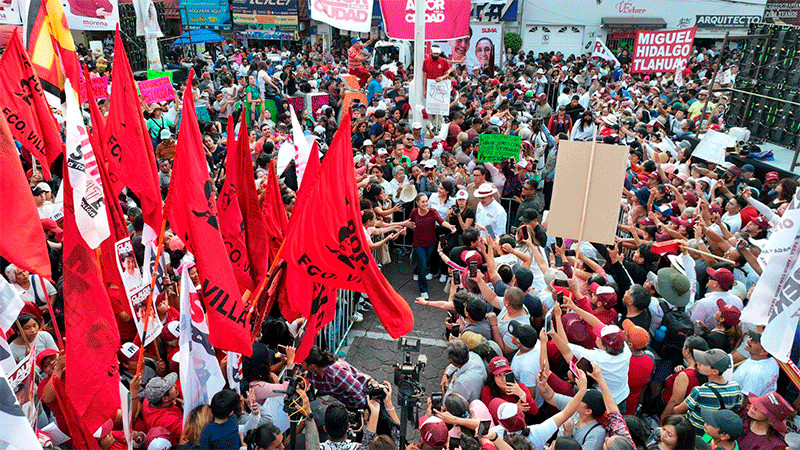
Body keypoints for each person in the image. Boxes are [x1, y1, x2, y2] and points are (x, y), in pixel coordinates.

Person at [673, 348, 743, 434]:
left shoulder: (700, 391)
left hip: (694, 431)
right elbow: (737, 408)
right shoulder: (735, 387)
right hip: (711, 434)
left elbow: (677, 410)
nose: (698, 363)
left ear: (715, 372)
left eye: (704, 363)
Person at [404, 193, 456, 298]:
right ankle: (423, 289)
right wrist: (404, 228)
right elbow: (409, 222)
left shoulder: (433, 212)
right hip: (418, 243)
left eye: (426, 201)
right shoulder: (414, 212)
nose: (425, 203)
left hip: (431, 243)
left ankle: (416, 271)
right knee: (423, 266)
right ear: (417, 203)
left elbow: (441, 222)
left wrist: (450, 226)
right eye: (423, 202)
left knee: (424, 262)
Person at [442, 339, 487, 403]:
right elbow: (454, 365)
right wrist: (446, 374)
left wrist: (450, 384)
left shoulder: (462, 382)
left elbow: (450, 402)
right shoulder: (474, 356)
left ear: (451, 361)